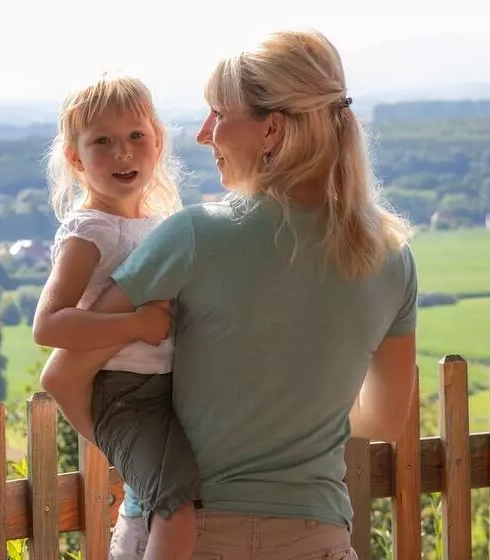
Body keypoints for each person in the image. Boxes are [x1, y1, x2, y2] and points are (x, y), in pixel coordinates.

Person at [40, 29, 418, 560]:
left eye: (218, 113)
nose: (202, 134)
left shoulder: (195, 237)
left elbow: (63, 374)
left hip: (188, 536)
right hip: (317, 538)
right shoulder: (391, 255)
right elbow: (384, 420)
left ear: (272, 130)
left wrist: (150, 467)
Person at [34, 73, 200, 559]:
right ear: (75, 158)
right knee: (175, 508)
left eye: (135, 137)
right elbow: (49, 325)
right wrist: (133, 325)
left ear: (158, 140)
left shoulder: (160, 222)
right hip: (126, 393)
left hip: (173, 388)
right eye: (101, 142)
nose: (122, 153)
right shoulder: (91, 230)